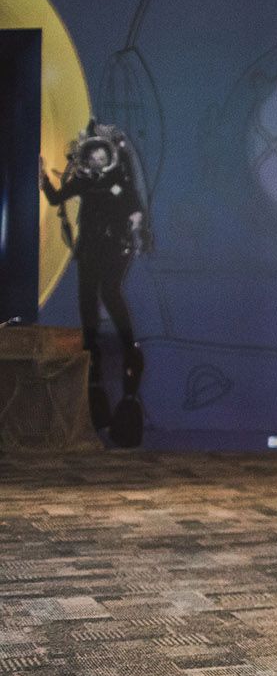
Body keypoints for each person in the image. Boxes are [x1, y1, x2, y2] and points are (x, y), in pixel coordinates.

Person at [41, 122, 150, 444]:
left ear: (109, 156)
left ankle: (127, 342)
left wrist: (118, 138)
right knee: (87, 297)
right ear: (89, 159)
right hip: (89, 247)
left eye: (105, 156)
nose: (100, 161)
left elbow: (133, 199)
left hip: (114, 245)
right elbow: (57, 196)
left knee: (110, 290)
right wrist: (44, 176)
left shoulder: (120, 179)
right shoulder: (84, 182)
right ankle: (91, 349)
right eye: (96, 157)